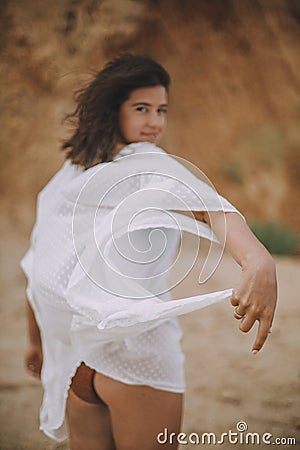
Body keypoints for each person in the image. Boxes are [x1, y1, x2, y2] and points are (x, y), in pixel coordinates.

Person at [21, 54, 277, 450]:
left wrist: (256, 258)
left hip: (79, 359)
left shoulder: (89, 170)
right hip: (124, 356)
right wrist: (257, 259)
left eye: (162, 110)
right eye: (142, 109)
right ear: (111, 110)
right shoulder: (98, 168)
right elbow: (40, 257)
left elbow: (208, 208)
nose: (155, 122)